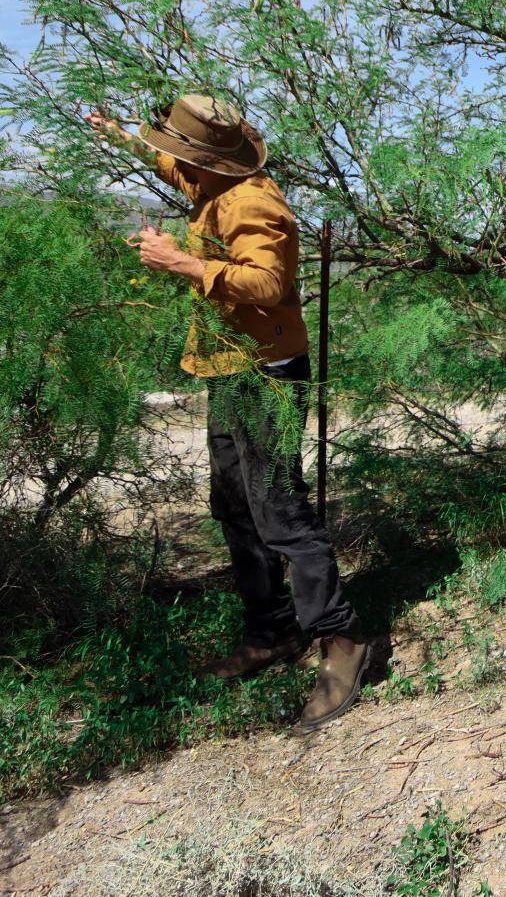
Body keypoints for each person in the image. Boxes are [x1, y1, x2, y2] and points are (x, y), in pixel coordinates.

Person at [88, 95, 373, 734]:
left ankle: (342, 638)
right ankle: (271, 629)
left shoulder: (251, 202)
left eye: (181, 150)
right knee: (234, 504)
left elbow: (270, 285)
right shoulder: (214, 179)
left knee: (279, 513)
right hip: (228, 366)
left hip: (265, 373)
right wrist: (122, 136)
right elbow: (174, 169)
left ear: (212, 157)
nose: (174, 161)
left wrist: (182, 262)